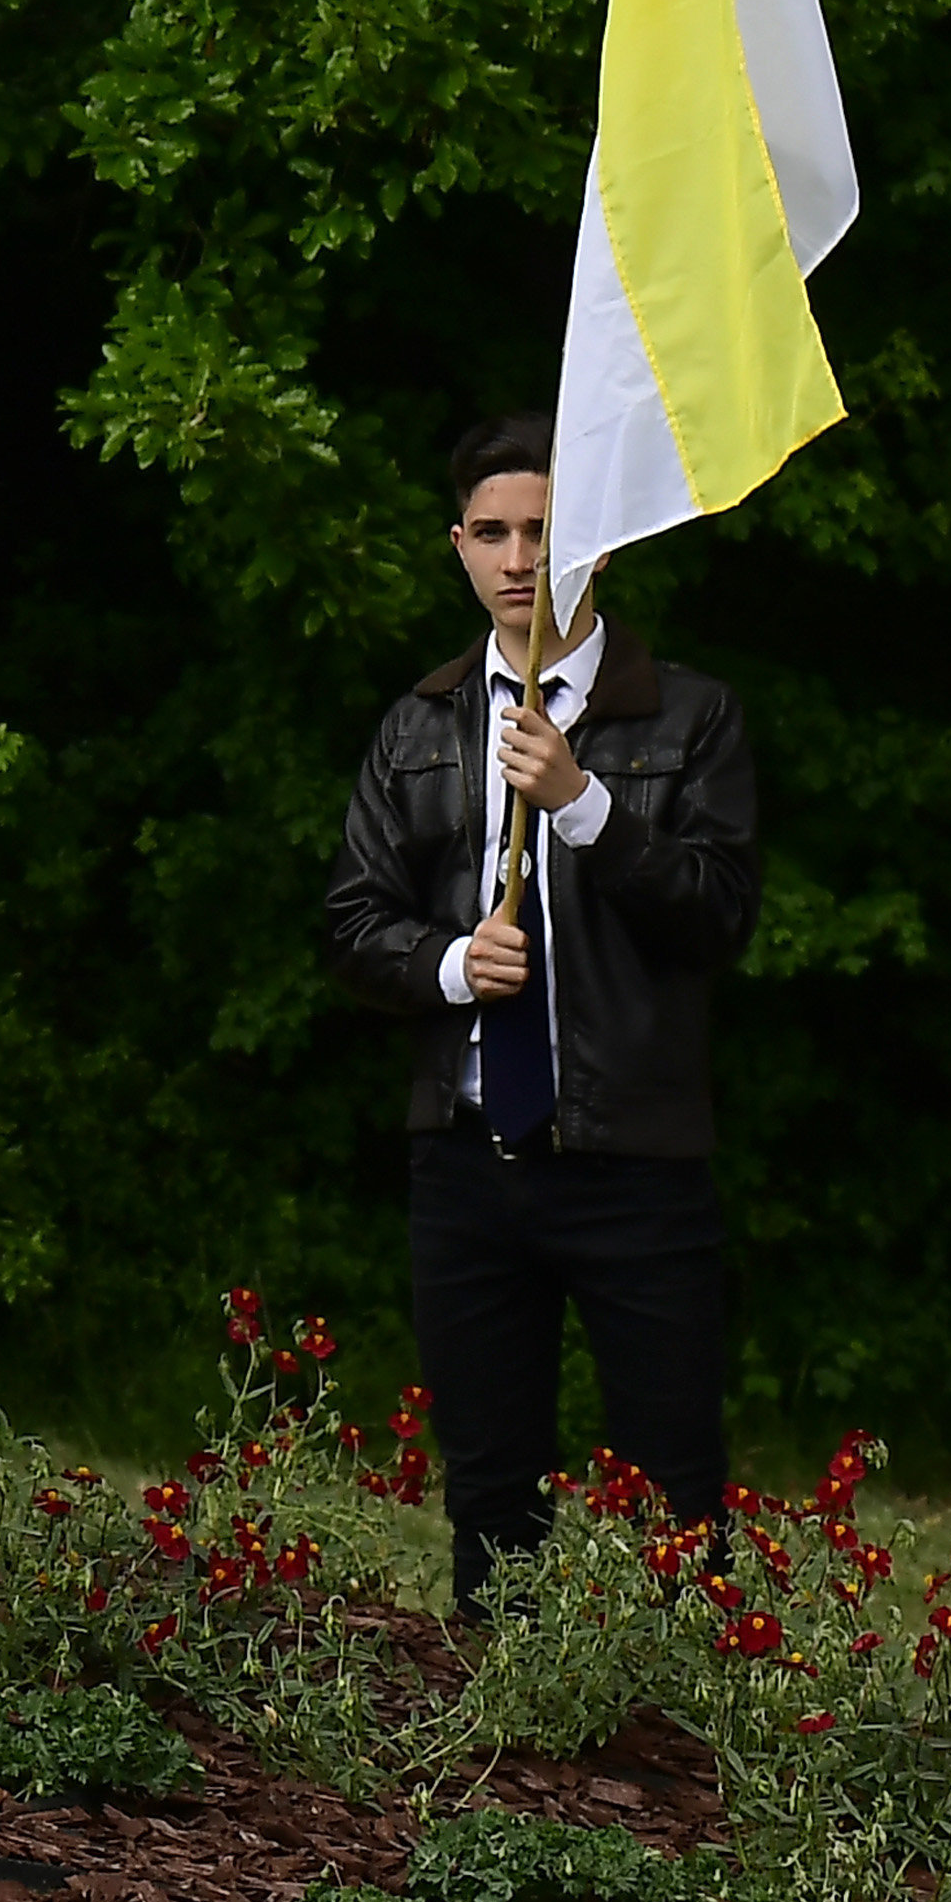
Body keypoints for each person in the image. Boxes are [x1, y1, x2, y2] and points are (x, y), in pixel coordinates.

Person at [323, 414, 765, 1606]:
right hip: (469, 1160)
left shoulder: (688, 717)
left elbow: (720, 915)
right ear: (459, 546)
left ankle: (683, 1709)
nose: (521, 558)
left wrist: (584, 804)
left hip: (635, 1158)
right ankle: (505, 1708)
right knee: (488, 1490)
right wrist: (452, 963)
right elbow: (353, 924)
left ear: (595, 546)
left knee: (675, 1489)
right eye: (495, 532)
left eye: (546, 531)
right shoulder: (420, 725)